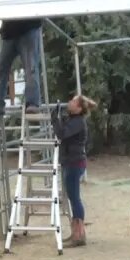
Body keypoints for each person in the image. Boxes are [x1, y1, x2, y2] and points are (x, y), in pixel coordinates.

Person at [52, 94, 97, 247]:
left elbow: (61, 133)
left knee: (75, 198)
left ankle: (78, 235)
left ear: (78, 108)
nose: (69, 102)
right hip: (71, 162)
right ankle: (77, 233)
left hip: (74, 163)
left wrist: (55, 118)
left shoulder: (78, 122)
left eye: (73, 101)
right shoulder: (74, 120)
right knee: (73, 197)